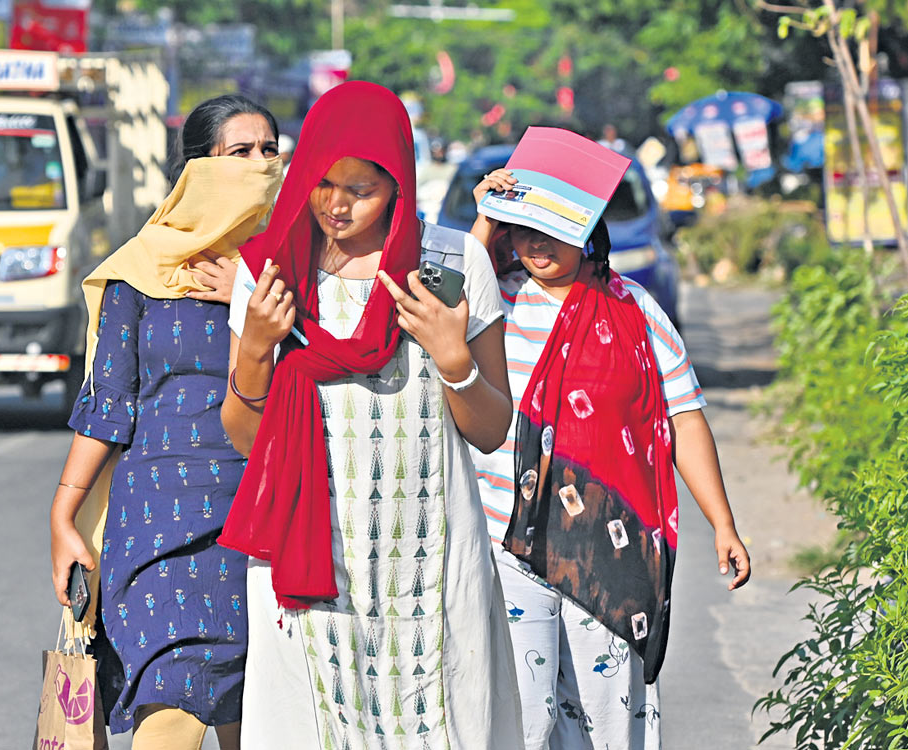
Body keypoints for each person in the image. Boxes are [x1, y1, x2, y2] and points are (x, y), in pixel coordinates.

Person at [218, 81, 525, 750]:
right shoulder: (272, 269)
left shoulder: (452, 262)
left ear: (399, 185)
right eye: (324, 183)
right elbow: (244, 437)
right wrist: (257, 349)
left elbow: (491, 429)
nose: (337, 205)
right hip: (311, 558)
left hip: (429, 559)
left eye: (361, 189)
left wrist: (453, 358)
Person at [468, 147, 751, 750]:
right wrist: (487, 221)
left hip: (610, 549)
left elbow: (684, 417)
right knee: (520, 720)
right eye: (524, 227)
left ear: (588, 226)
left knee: (605, 725)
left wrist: (722, 522)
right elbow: (446, 306)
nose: (537, 243)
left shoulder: (635, 310)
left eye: (555, 227)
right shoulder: (495, 301)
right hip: (507, 545)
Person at [48, 94, 284, 750]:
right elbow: (108, 404)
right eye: (241, 152)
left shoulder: (292, 267)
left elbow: (325, 377)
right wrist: (63, 515)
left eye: (270, 151)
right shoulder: (141, 268)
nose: (261, 165)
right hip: (156, 526)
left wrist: (251, 295)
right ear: (197, 167)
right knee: (171, 697)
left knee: (255, 715)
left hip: (259, 519)